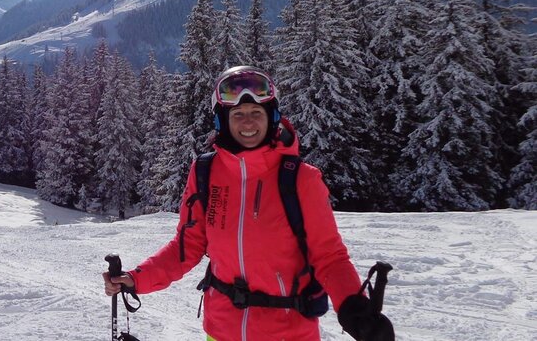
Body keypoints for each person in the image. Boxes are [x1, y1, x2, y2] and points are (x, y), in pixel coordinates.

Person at [103, 66, 394, 341]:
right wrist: (135, 278)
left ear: (272, 117)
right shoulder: (205, 172)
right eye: (238, 114)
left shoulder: (301, 180)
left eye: (256, 112)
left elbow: (329, 257)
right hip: (221, 329)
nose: (248, 122)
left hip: (288, 332)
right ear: (223, 122)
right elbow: (188, 245)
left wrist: (354, 308)